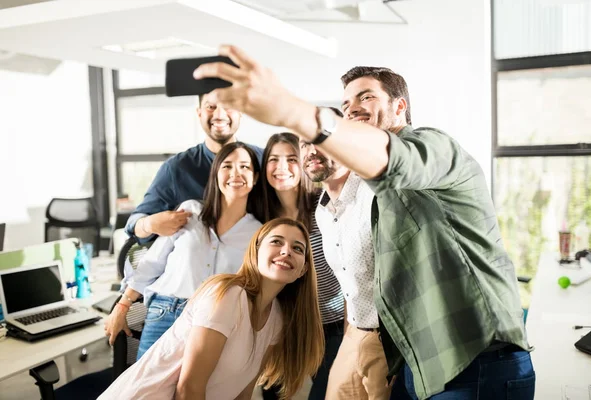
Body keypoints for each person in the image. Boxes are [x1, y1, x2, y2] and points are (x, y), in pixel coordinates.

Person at [192, 45, 535, 400]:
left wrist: (292, 112)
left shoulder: (436, 149)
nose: (351, 108)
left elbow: (393, 160)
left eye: (366, 96)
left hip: (479, 358)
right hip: (419, 360)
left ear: (399, 106)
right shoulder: (330, 209)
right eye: (345, 104)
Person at [99, 217, 325, 400]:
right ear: (255, 252)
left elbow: (242, 394)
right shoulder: (227, 294)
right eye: (276, 242)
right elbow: (189, 389)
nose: (286, 251)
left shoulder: (277, 318)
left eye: (297, 248)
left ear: (303, 270)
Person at [104, 142, 265, 359]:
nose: (236, 173)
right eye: (227, 166)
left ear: (255, 178)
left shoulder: (259, 233)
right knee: (145, 391)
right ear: (215, 175)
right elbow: (152, 263)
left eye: (244, 167)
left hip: (214, 322)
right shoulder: (190, 211)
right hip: (165, 312)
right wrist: (122, 306)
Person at [301, 137, 390, 399]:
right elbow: (348, 284)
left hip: (387, 337)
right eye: (305, 144)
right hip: (354, 332)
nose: (312, 150)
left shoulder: (373, 194)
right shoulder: (322, 211)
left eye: (321, 140)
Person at [259, 132, 345, 400]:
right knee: (272, 392)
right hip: (287, 322)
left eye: (291, 159)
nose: (282, 167)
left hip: (334, 322)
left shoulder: (323, 204)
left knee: (325, 394)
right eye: (274, 159)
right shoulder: (260, 216)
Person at [124, 92, 264, 244]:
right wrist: (149, 224)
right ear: (199, 113)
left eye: (228, 107)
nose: (219, 114)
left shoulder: (265, 161)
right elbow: (135, 222)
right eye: (210, 107)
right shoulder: (177, 169)